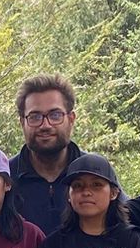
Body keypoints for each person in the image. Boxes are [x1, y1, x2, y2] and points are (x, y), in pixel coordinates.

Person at [5, 74, 83, 235]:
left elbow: (125, 217)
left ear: (71, 119)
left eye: (55, 115)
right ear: (22, 122)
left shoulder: (94, 174)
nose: (45, 125)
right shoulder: (4, 178)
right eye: (35, 117)